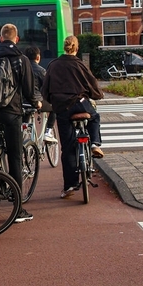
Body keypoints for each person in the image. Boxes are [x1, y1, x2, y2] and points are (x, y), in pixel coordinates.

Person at [0, 23, 40, 223]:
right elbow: (30, 90)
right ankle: (18, 209)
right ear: (16, 39)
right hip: (10, 113)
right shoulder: (21, 60)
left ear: (0, 38)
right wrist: (37, 102)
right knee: (15, 157)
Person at [41, 35, 104, 199]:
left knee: (67, 147)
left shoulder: (53, 65)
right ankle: (95, 144)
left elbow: (45, 91)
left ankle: (69, 185)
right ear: (76, 48)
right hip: (80, 104)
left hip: (62, 108)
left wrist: (53, 100)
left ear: (64, 47)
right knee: (94, 117)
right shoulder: (80, 65)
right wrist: (96, 95)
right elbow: (93, 86)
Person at [23, 46, 57, 144]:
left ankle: (24, 129)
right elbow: (48, 87)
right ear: (38, 57)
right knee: (54, 107)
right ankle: (48, 131)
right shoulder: (41, 70)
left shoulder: (21, 69)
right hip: (38, 101)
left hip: (23, 102)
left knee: (25, 117)